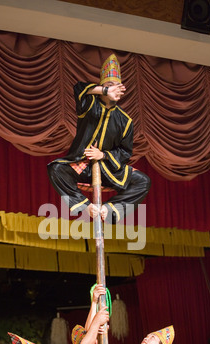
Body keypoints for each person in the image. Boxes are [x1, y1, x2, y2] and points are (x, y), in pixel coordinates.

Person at [47, 53, 150, 224]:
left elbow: (125, 152)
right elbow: (79, 88)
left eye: (117, 86)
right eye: (109, 86)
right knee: (56, 169)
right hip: (82, 165)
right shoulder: (89, 105)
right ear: (101, 88)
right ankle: (85, 205)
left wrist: (103, 155)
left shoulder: (125, 120)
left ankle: (108, 209)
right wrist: (105, 90)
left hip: (108, 169)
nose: (113, 89)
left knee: (143, 181)